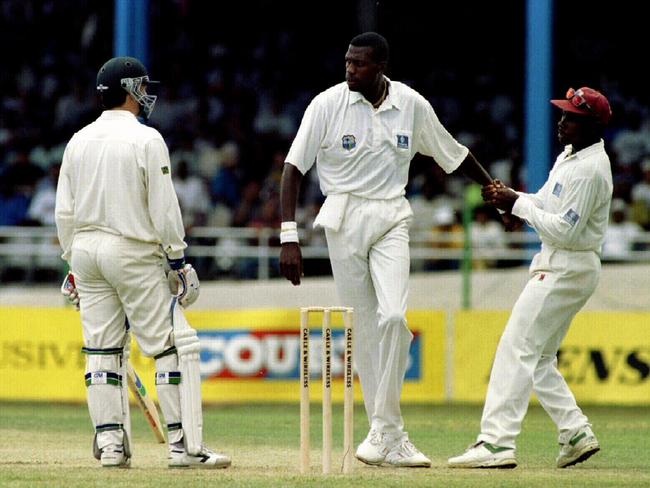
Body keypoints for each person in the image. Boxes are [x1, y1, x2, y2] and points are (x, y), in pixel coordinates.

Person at [279, 32, 502, 468]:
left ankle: (385, 431)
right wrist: (289, 236)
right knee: (364, 331)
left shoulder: (411, 105)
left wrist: (493, 190)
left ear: (380, 66)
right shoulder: (327, 104)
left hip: (392, 217)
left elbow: (452, 154)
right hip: (342, 219)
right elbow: (293, 168)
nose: (349, 71)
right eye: (346, 62)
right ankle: (390, 435)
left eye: (358, 64)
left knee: (396, 318)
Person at [54, 56, 230, 469]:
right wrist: (178, 260)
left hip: (86, 251)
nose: (147, 94)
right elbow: (164, 208)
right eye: (143, 87)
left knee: (102, 351)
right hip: (132, 251)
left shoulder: (77, 139)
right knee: (171, 346)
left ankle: (111, 447)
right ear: (131, 90)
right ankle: (183, 447)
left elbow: (65, 212)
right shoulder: (146, 139)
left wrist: (71, 265)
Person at [448, 86, 613, 469]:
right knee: (538, 357)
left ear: (591, 124)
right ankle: (575, 432)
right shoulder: (573, 157)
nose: (562, 121)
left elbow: (566, 231)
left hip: (566, 264)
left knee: (515, 347)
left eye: (571, 117)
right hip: (565, 264)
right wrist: (514, 197)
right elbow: (547, 204)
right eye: (563, 114)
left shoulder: (590, 170)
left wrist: (517, 205)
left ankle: (496, 443)